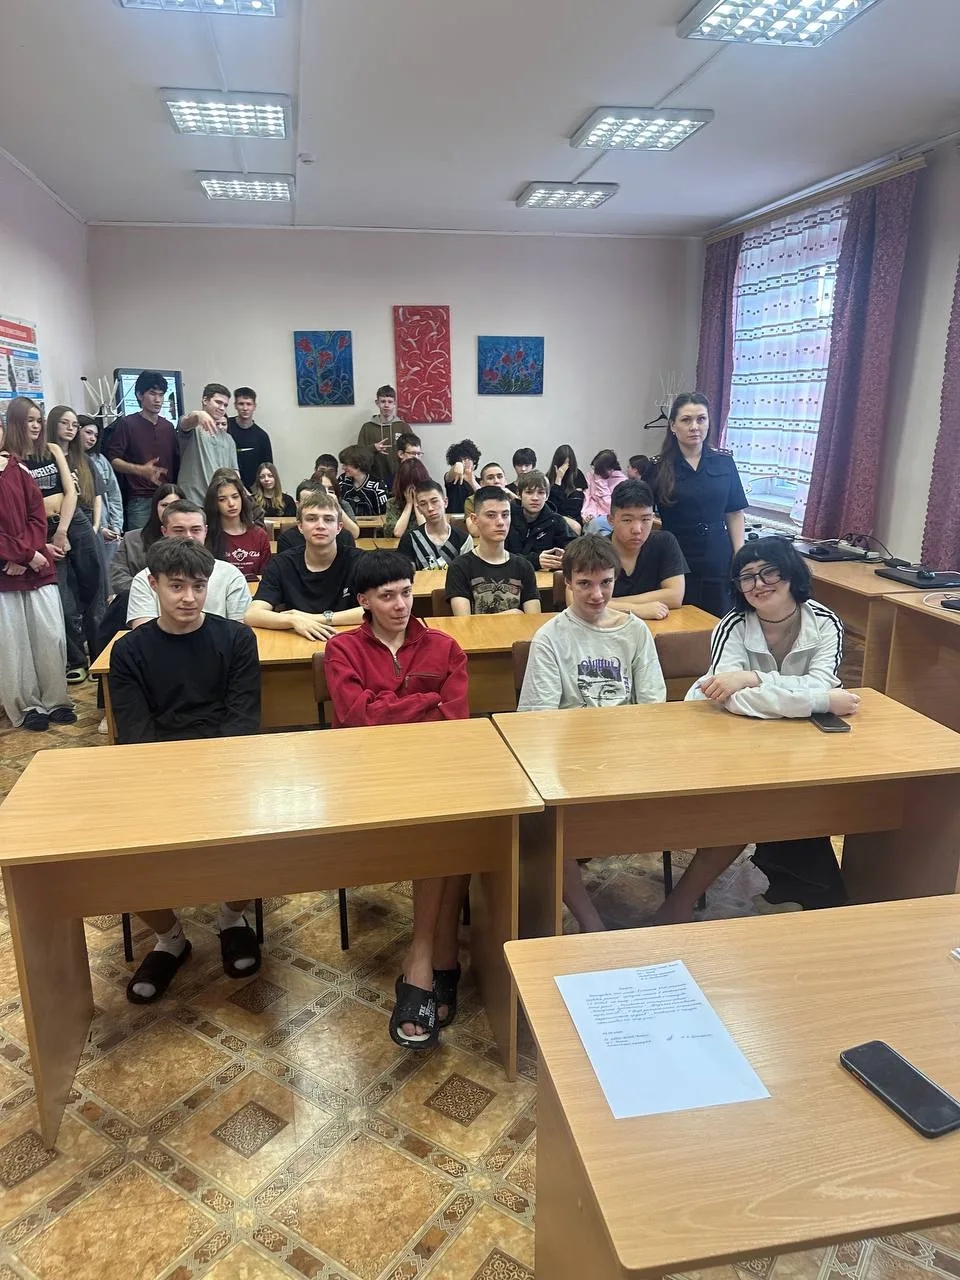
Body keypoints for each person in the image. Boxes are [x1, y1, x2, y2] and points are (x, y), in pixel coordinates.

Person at [652, 538, 859, 926]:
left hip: (792, 741)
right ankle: (794, 895)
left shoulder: (825, 622)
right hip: (726, 737)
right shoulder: (732, 624)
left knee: (801, 797)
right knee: (746, 805)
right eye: (747, 577)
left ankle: (796, 894)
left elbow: (817, 683)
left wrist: (753, 678)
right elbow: (730, 699)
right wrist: (820, 701)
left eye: (769, 573)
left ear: (791, 574)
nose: (759, 584)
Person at [324, 551, 471, 1047]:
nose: (401, 604)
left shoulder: (445, 647)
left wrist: (389, 707)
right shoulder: (343, 649)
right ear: (363, 601)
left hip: (433, 769)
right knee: (443, 825)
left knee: (458, 819)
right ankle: (439, 954)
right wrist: (425, 701)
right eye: (386, 596)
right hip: (366, 776)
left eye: (406, 592)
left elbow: (454, 719)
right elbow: (356, 717)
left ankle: (424, 957)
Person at [110, 537, 261, 1003]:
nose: (189, 598)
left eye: (198, 586)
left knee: (261, 839)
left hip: (227, 768)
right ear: (153, 584)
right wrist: (175, 787)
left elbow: (242, 721)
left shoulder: (236, 639)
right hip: (157, 773)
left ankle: (232, 918)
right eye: (176, 586)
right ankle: (170, 938)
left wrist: (215, 781)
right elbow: (136, 734)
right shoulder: (129, 651)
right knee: (116, 855)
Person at [518, 535, 667, 931]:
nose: (597, 594)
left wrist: (627, 749)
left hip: (627, 757)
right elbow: (538, 718)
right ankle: (590, 921)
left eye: (606, 582)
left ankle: (678, 907)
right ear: (567, 582)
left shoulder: (635, 632)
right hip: (572, 763)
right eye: (584, 583)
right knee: (544, 826)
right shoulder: (551, 638)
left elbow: (653, 705)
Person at [11, 399, 102, 684]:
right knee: (63, 598)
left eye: (38, 420)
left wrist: (62, 531)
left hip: (73, 522)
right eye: (29, 420)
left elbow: (70, 492)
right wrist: (43, 542)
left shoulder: (51, 450)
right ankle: (76, 660)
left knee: (94, 588)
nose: (35, 426)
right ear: (15, 423)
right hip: (41, 532)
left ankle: (100, 656)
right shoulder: (11, 459)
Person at [0, 415, 74, 731]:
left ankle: (56, 700)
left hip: (35, 565)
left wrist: (30, 554)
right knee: (14, 643)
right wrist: (20, 555)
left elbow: (36, 515)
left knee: (50, 635)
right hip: (5, 571)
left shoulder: (19, 469)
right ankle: (27, 706)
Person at [648, 393, 747, 617]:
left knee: (718, 618)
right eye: (686, 420)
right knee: (677, 620)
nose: (694, 427)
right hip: (675, 556)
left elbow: (734, 512)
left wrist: (739, 553)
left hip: (717, 554)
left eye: (701, 419)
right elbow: (642, 513)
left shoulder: (724, 462)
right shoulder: (657, 467)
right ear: (673, 426)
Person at [246, 488, 364, 639]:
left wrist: (316, 619)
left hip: (347, 639)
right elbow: (252, 615)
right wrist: (293, 620)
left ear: (339, 527)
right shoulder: (281, 564)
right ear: (300, 527)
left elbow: (378, 609)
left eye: (328, 519)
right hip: (298, 640)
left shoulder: (359, 561)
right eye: (311, 519)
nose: (320, 525)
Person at [126, 500, 251, 627]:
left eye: (196, 530)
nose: (188, 536)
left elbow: (240, 628)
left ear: (205, 531)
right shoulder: (145, 578)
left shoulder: (230, 574)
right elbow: (144, 631)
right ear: (164, 532)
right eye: (179, 530)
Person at [446, 486, 541, 616]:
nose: (500, 522)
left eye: (505, 515)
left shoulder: (523, 566)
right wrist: (511, 615)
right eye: (491, 515)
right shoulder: (460, 567)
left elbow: (533, 620)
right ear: (474, 519)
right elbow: (464, 622)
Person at [106, 371, 180, 531]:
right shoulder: (127, 424)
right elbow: (113, 459)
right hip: (140, 499)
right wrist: (139, 470)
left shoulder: (168, 427)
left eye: (161, 395)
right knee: (139, 543)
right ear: (140, 395)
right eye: (152, 393)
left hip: (168, 497)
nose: (158, 399)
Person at [604, 480, 687, 620]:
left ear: (653, 518)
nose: (637, 530)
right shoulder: (595, 549)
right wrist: (635, 610)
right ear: (611, 520)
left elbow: (675, 596)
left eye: (645, 519)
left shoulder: (664, 542)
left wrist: (609, 604)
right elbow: (576, 603)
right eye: (627, 520)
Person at [109, 483, 185, 597]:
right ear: (155, 507)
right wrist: (150, 591)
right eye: (164, 505)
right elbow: (118, 577)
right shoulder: (131, 539)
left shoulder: (192, 539)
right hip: (137, 598)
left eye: (175, 506)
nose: (169, 510)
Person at [177, 382, 240, 505]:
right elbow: (185, 423)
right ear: (205, 400)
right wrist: (198, 414)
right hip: (194, 502)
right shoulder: (193, 428)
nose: (222, 408)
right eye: (218, 402)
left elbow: (234, 473)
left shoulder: (228, 439)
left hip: (219, 503)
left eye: (225, 405)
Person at [204, 475, 271, 579]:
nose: (231, 504)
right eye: (222, 499)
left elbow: (266, 576)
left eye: (235, 497)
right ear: (214, 504)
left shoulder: (259, 535)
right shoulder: (207, 536)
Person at [505, 470, 574, 571]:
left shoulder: (557, 521)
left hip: (546, 577)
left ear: (547, 496)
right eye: (529, 492)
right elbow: (498, 556)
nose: (535, 498)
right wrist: (535, 561)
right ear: (519, 495)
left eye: (541, 493)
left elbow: (574, 552)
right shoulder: (506, 519)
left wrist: (563, 559)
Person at [78, 415, 124, 566]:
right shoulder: (67, 461)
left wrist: (116, 526)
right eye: (88, 433)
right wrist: (99, 529)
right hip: (85, 529)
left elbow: (114, 495)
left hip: (108, 529)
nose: (92, 438)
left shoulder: (101, 460)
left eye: (96, 435)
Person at [397, 480, 474, 569]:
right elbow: (405, 574)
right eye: (423, 504)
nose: (430, 508)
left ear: (445, 502)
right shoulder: (410, 539)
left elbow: (467, 573)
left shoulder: (464, 539)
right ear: (418, 509)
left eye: (434, 501)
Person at [357, 384, 408, 483]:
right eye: (383, 401)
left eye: (390, 402)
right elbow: (358, 454)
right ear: (377, 403)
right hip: (373, 478)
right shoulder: (367, 427)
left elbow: (413, 452)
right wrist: (373, 448)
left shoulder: (403, 427)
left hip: (399, 478)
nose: (386, 405)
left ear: (395, 403)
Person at [226, 386, 273, 490]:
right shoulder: (225, 427)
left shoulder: (262, 437)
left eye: (249, 404)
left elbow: (268, 469)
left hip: (253, 490)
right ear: (235, 405)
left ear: (254, 406)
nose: (245, 408)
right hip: (227, 486)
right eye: (241, 404)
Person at [582, 449, 628, 532]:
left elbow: (612, 507)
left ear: (611, 469)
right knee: (592, 525)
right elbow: (588, 498)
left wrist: (601, 483)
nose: (596, 473)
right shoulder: (591, 475)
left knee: (596, 526)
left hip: (611, 517)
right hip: (592, 515)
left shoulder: (621, 481)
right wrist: (588, 513)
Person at [383, 458, 431, 538]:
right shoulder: (392, 503)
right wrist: (409, 504)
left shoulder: (430, 503)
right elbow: (398, 533)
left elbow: (426, 532)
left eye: (416, 484)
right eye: (408, 485)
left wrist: (416, 503)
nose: (413, 489)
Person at [337, 445, 388, 517]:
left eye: (346, 464)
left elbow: (384, 515)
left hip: (373, 524)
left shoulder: (377, 486)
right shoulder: (342, 480)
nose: (343, 467)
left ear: (358, 464)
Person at [546, 445, 587, 532]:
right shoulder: (548, 477)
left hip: (574, 518)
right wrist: (558, 480)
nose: (564, 468)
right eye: (562, 464)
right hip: (554, 518)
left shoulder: (577, 475)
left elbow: (576, 505)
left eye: (567, 464)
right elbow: (551, 506)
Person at [443, 439, 481, 515]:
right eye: (461, 460)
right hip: (454, 518)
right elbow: (448, 477)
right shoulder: (453, 479)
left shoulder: (479, 481)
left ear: (474, 461)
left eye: (467, 459)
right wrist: (458, 465)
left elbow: (486, 497)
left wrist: (472, 481)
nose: (464, 462)